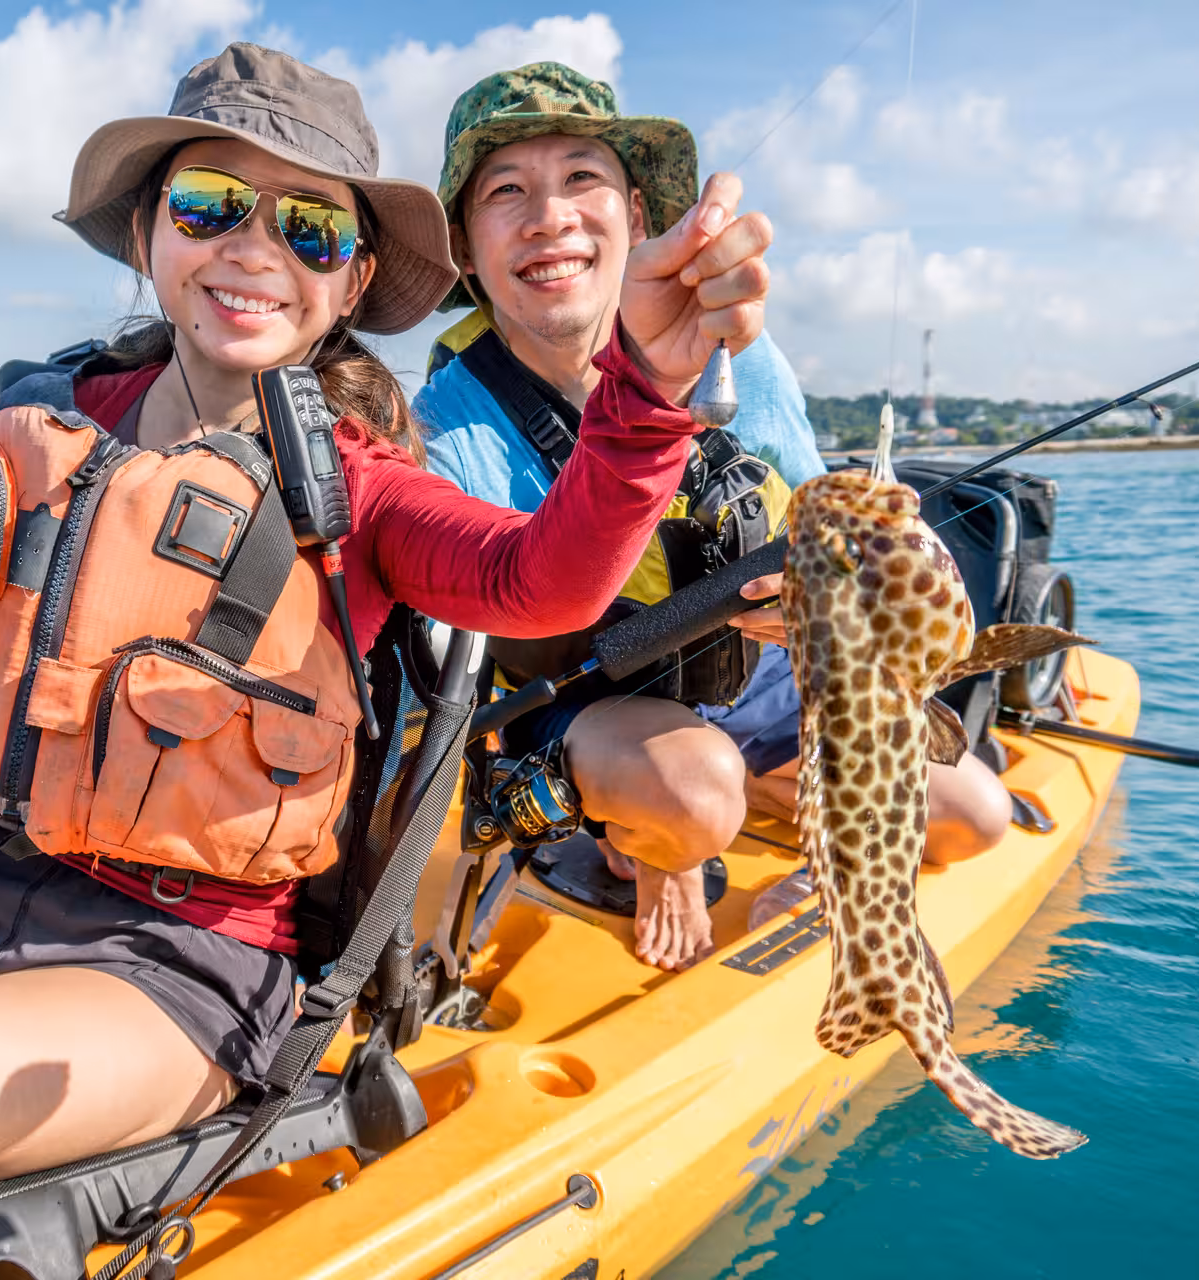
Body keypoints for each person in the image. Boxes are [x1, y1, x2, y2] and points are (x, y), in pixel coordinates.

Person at [0, 43, 771, 1276]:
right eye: (211, 204)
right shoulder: (39, 416)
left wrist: (647, 385)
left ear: (350, 282)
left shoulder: (367, 488)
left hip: (174, 966)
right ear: (148, 234)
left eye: (310, 230)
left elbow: (541, 574)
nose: (252, 249)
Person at [414, 63, 1011, 971]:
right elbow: (479, 625)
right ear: (466, 248)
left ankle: (774, 808)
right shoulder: (445, 424)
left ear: (639, 217)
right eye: (507, 191)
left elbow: (826, 519)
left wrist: (825, 594)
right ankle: (647, 844)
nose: (551, 216)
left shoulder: (739, 353)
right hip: (589, 698)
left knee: (976, 815)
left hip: (742, 668)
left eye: (583, 178)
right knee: (692, 798)